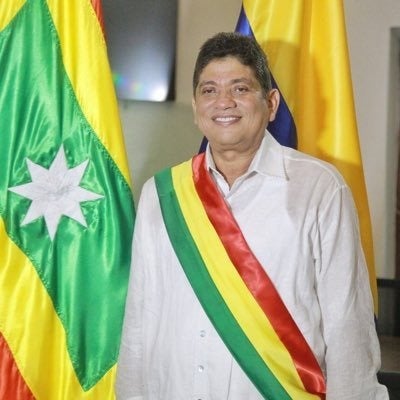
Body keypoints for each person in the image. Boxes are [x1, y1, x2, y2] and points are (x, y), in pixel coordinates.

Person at [115, 32, 388, 400]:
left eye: (240, 88)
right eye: (209, 90)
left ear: (271, 103)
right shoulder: (162, 194)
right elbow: (139, 321)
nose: (223, 102)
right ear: (196, 107)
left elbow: (347, 327)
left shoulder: (319, 189)